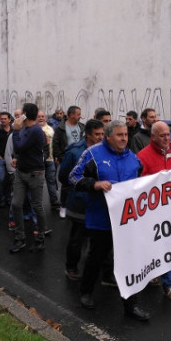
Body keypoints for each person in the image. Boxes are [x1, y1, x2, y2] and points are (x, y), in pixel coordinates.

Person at [70, 120, 150, 321]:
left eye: (125, 134)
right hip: (101, 220)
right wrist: (94, 184)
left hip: (127, 221)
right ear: (108, 136)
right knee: (96, 258)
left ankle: (131, 305)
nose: (124, 138)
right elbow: (72, 177)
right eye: (119, 135)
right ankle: (86, 292)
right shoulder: (93, 154)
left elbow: (140, 184)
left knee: (129, 262)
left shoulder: (133, 159)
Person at [136, 121, 171, 300]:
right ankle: (151, 271)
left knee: (168, 245)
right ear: (153, 137)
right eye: (163, 135)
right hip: (151, 212)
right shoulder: (142, 157)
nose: (167, 138)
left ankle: (170, 284)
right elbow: (138, 186)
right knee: (151, 244)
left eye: (168, 135)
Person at [59, 119, 105, 280]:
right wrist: (78, 189)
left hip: (99, 203)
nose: (101, 137)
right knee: (77, 239)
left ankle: (94, 266)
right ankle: (71, 267)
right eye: (97, 134)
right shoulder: (75, 152)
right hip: (80, 202)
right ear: (88, 135)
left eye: (102, 134)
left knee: (97, 239)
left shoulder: (105, 150)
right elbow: (64, 176)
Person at [9, 103, 48, 253]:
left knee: (37, 205)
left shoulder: (35, 131)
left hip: (35, 173)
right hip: (21, 171)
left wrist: (16, 131)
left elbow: (19, 146)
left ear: (25, 114)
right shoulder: (25, 128)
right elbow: (20, 150)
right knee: (16, 204)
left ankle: (40, 238)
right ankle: (20, 237)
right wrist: (16, 158)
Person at [53, 105, 85, 219]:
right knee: (66, 183)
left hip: (81, 159)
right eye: (78, 114)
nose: (80, 117)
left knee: (79, 182)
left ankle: (76, 205)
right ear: (71, 115)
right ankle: (63, 206)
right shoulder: (61, 128)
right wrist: (59, 157)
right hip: (67, 159)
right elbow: (55, 143)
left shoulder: (82, 127)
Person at [38, 110, 60, 212]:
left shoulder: (51, 130)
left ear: (46, 118)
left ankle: (54, 202)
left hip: (50, 159)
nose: (41, 118)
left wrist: (56, 156)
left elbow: (54, 145)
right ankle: (38, 204)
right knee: (38, 184)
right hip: (37, 162)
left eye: (43, 116)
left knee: (51, 181)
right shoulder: (34, 130)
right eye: (39, 116)